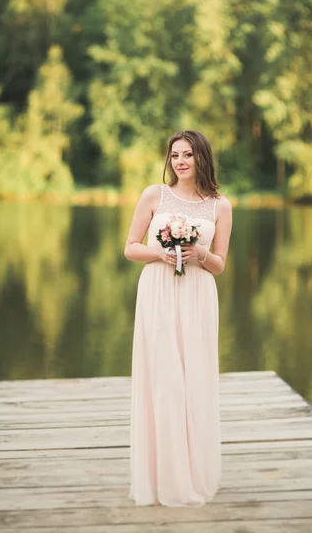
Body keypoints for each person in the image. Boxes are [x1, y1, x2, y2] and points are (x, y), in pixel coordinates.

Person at [124, 129, 232, 507]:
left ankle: (192, 474)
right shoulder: (155, 195)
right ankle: (160, 478)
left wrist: (198, 250)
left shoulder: (220, 206)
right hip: (157, 291)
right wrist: (161, 253)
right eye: (174, 155)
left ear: (203, 157)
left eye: (188, 154)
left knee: (194, 381)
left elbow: (218, 265)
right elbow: (130, 248)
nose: (180, 161)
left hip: (198, 296)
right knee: (165, 380)